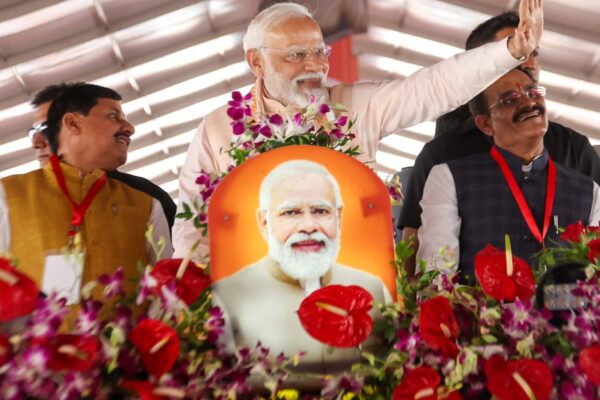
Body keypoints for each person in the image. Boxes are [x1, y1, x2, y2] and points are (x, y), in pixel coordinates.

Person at [173, 0, 544, 261]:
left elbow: (433, 87)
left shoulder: (355, 106)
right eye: (297, 55)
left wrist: (511, 50)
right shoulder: (218, 129)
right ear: (256, 61)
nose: (315, 66)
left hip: (354, 289)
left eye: (320, 52)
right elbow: (193, 228)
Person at [399, 11, 600, 276]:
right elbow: (418, 253)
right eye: (516, 51)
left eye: (533, 52)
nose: (528, 62)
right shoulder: (443, 157)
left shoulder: (574, 148)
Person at [213, 160, 391, 371]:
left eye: (320, 211)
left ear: (339, 217)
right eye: (291, 212)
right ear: (264, 222)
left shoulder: (373, 288)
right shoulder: (226, 296)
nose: (308, 226)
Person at [0, 83, 172, 300]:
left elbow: (168, 291)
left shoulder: (146, 202)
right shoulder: (8, 196)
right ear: (71, 123)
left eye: (46, 128)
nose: (38, 141)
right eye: (113, 116)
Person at [29, 83, 177, 231]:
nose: (36, 143)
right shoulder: (22, 196)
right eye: (33, 132)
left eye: (47, 128)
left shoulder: (146, 197)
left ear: (72, 124)